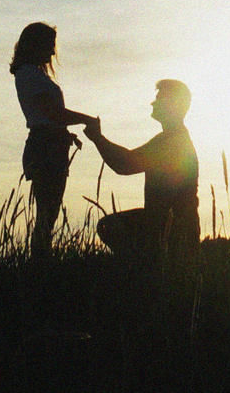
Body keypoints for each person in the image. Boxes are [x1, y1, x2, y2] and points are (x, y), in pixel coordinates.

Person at [10, 21, 101, 258]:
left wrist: (65, 132)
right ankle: (40, 265)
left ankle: (41, 263)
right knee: (46, 216)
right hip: (45, 148)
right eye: (49, 45)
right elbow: (51, 113)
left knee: (49, 215)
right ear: (37, 45)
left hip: (51, 145)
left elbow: (49, 116)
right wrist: (86, 119)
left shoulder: (33, 74)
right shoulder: (29, 74)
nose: (52, 52)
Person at [85, 79, 201, 264]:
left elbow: (124, 164)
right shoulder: (173, 138)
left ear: (173, 105)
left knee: (108, 226)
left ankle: (140, 269)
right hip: (173, 228)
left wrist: (97, 138)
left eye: (160, 98)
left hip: (170, 232)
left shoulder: (170, 142)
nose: (153, 103)